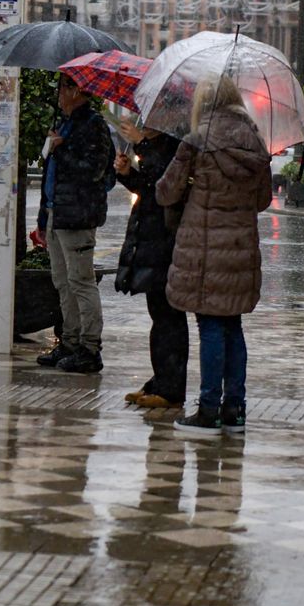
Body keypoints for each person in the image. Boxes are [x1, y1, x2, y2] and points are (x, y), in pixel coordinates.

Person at [156, 75, 272, 437]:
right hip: (239, 250)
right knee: (232, 326)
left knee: (210, 326)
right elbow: (263, 199)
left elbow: (165, 193)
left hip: (205, 249)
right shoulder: (255, 142)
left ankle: (208, 409)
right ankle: (234, 408)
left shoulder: (196, 141)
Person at [32, 73, 114, 374]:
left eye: (64, 87)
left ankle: (90, 348)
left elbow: (92, 172)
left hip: (78, 215)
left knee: (81, 281)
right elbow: (50, 177)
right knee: (62, 281)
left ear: (78, 91)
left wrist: (61, 149)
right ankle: (68, 341)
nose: (59, 93)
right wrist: (43, 215)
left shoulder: (93, 126)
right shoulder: (64, 124)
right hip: (56, 213)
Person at [114, 118, 187, 410]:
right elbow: (147, 188)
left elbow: (165, 187)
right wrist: (127, 173)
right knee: (159, 315)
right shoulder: (157, 146)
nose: (141, 122)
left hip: (166, 241)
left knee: (169, 317)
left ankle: (171, 388)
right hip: (151, 240)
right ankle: (160, 380)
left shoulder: (174, 145)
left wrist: (140, 145)